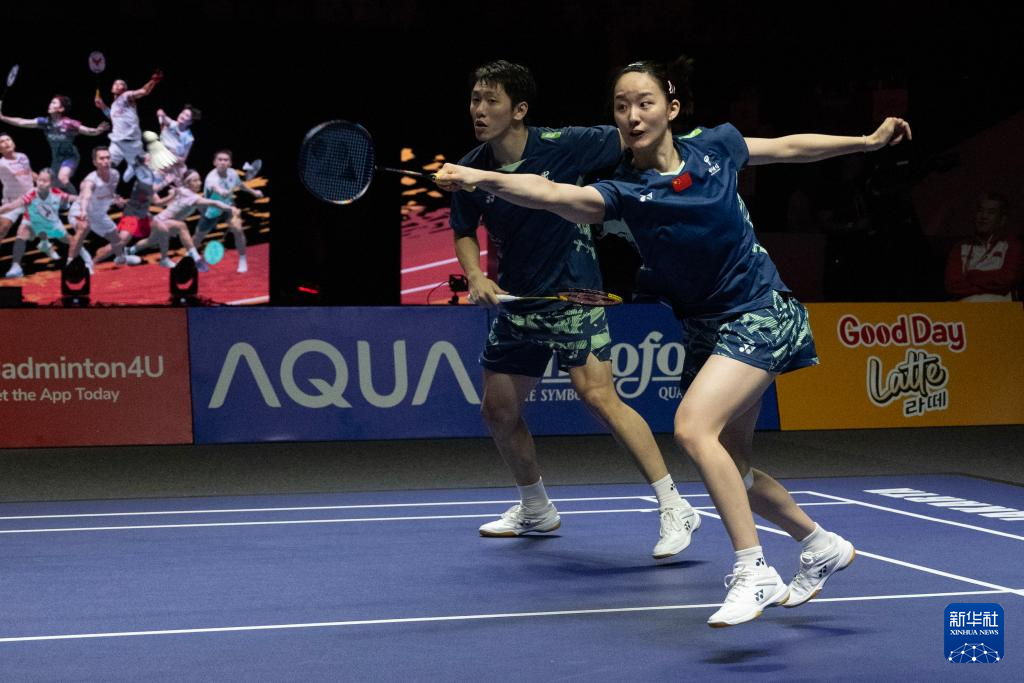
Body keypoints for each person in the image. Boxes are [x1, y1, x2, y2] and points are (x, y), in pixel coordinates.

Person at [436, 57, 912, 627]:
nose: (632, 116)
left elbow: (787, 148)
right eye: (621, 106)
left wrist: (865, 142)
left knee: (692, 428)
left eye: (645, 103)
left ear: (671, 108)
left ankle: (753, 570)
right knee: (734, 468)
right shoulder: (623, 190)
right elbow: (548, 193)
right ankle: (819, 544)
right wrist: (480, 178)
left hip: (762, 311)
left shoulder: (715, 147)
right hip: (705, 328)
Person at [445, 60, 700, 559]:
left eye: (491, 100)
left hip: (573, 295)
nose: (479, 109)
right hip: (519, 300)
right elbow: (463, 230)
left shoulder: (564, 144)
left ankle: (675, 505)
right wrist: (475, 275)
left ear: (519, 110)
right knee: (498, 411)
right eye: (475, 99)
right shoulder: (470, 167)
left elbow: (633, 138)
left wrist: (670, 181)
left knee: (599, 397)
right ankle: (535, 508)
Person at [0, 95, 110, 192]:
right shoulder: (45, 122)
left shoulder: (69, 123)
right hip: (56, 159)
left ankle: (78, 200)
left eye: (53, 103)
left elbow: (88, 131)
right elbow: (22, 122)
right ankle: (63, 203)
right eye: (51, 102)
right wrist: (3, 118)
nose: (50, 104)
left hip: (70, 156)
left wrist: (97, 130)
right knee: (51, 185)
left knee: (63, 178)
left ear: (61, 108)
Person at [135, 168, 238, 271]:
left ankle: (130, 250)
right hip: (161, 222)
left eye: (199, 180)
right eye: (195, 181)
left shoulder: (184, 191)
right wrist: (230, 208)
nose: (199, 183)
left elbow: (202, 208)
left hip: (160, 220)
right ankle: (196, 259)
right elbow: (214, 203)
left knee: (150, 241)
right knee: (182, 226)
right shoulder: (192, 197)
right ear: (188, 183)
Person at [66, 147, 141, 270]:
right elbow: (86, 197)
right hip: (80, 211)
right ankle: (70, 265)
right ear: (95, 163)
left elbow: (109, 192)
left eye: (108, 158)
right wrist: (83, 211)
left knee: (116, 238)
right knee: (83, 228)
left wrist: (116, 199)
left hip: (99, 214)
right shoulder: (90, 181)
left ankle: (120, 259)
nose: (106, 161)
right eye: (101, 158)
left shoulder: (115, 174)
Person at [192, 149, 264, 274]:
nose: (222, 162)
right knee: (198, 237)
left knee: (238, 230)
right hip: (212, 210)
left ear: (230, 163)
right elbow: (215, 187)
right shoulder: (211, 178)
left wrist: (254, 192)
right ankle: (191, 257)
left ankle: (242, 259)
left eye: (226, 160)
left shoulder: (232, 173)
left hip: (228, 206)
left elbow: (240, 185)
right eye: (219, 160)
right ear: (214, 162)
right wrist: (221, 191)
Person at [944, 192, 1022, 301]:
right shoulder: (959, 248)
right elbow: (953, 285)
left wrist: (973, 275)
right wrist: (993, 286)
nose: (983, 216)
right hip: (965, 309)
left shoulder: (1012, 245)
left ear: (1002, 220)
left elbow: (1007, 278)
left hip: (1001, 309)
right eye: (980, 211)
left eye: (991, 212)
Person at [94, 70, 163, 180]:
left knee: (148, 173)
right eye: (115, 84)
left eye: (121, 84)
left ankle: (135, 164)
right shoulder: (114, 105)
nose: (117, 85)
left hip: (131, 141)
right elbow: (113, 118)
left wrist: (153, 81)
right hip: (116, 142)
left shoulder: (127, 96)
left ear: (125, 89)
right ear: (112, 89)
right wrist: (102, 106)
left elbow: (143, 91)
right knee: (106, 166)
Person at [0, 168, 76, 265]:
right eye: (40, 180)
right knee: (22, 233)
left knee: (67, 239)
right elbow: (11, 206)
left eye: (44, 181)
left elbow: (70, 198)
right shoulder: (32, 194)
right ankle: (16, 265)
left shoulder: (55, 193)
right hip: (23, 208)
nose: (41, 183)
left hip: (48, 219)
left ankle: (47, 245)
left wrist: (83, 200)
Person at [0, 133, 37, 278]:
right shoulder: (1, 164)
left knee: (23, 231)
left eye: (8, 139)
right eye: (2, 142)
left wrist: (41, 180)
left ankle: (16, 266)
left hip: (30, 200)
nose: (6, 143)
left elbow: (29, 173)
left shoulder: (23, 156)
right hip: (11, 202)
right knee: (2, 228)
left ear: (13, 142)